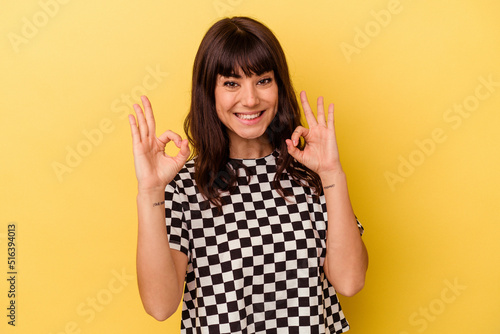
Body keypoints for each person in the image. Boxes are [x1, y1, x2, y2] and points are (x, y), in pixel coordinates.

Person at [128, 16, 368, 334]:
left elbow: (350, 281)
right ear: (209, 92)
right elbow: (160, 306)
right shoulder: (183, 187)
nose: (250, 98)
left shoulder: (311, 176)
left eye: (263, 80)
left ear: (279, 86)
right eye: (231, 83)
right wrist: (150, 191)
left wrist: (332, 173)